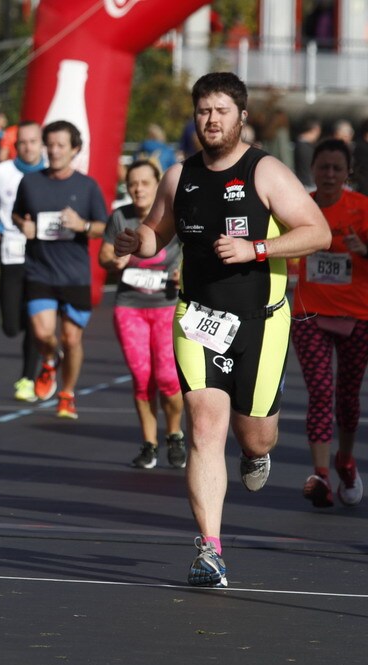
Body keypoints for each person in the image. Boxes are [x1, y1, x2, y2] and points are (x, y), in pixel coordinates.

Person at [115, 72, 331, 588]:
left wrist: (257, 248)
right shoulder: (178, 176)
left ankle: (259, 448)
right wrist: (137, 241)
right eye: (203, 111)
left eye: (220, 111)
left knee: (253, 435)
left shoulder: (266, 172)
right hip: (198, 320)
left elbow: (317, 232)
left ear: (241, 117)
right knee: (204, 428)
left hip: (262, 321)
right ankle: (209, 550)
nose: (210, 120)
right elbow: (157, 232)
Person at [12, 120, 108, 419]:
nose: (53, 151)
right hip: (40, 270)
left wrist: (83, 225)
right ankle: (49, 361)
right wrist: (22, 225)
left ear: (75, 149)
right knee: (43, 333)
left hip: (75, 273)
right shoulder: (30, 182)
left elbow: (104, 227)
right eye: (49, 145)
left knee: (72, 339)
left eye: (60, 146)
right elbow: (17, 213)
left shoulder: (87, 186)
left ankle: (67, 393)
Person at [292, 139, 368, 508]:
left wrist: (363, 250)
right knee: (321, 390)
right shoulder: (300, 207)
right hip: (310, 312)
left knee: (348, 398)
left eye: (337, 168)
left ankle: (346, 460)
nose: (330, 175)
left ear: (348, 172)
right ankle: (321, 476)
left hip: (357, 315)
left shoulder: (362, 209)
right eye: (324, 167)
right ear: (313, 170)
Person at [99, 160, 186, 469]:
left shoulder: (173, 216)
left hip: (165, 306)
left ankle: (174, 433)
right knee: (141, 377)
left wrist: (182, 271)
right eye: (132, 183)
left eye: (144, 183)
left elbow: (194, 251)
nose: (138, 189)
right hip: (130, 308)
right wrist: (115, 261)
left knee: (166, 377)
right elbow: (105, 255)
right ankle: (149, 443)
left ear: (157, 184)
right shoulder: (120, 217)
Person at [0, 120, 46, 401]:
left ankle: (27, 378)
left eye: (33, 141)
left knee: (36, 317)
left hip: (43, 255)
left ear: (41, 144)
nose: (28, 147)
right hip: (10, 251)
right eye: (23, 143)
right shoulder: (2, 172)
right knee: (11, 325)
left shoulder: (52, 172)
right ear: (16, 146)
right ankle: (44, 338)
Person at [293, 117, 321, 190]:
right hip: (308, 185)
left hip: (302, 183)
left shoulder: (297, 145)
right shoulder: (306, 147)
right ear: (315, 130)